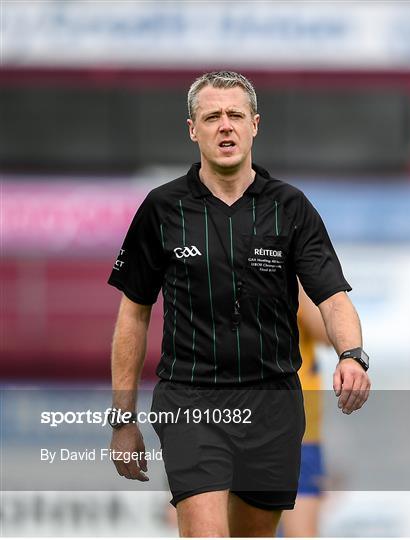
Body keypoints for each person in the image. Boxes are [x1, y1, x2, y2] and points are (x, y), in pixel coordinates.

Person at [107, 71, 371, 538]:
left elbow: (332, 297)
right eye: (211, 116)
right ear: (193, 129)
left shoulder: (291, 208)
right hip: (191, 400)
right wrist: (123, 419)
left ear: (255, 124)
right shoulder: (161, 209)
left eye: (234, 115)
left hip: (274, 404)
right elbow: (134, 314)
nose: (224, 125)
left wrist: (352, 355)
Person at [281, 285, 330, 537]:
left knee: (300, 531)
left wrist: (295, 285)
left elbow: (330, 334)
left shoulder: (297, 271)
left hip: (299, 433)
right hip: (238, 423)